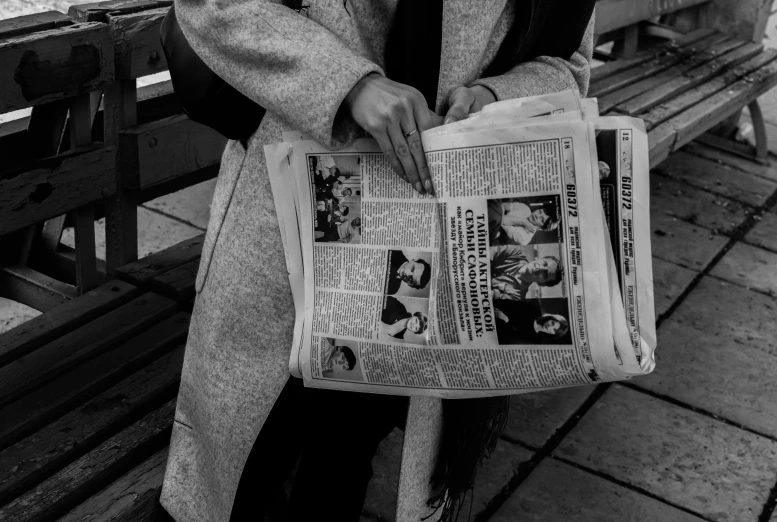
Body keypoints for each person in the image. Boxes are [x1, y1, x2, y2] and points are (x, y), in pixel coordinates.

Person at [160, 1, 596, 521]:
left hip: (442, 240)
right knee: (247, 456)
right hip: (288, 216)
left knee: (346, 455)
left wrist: (493, 96)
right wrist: (349, 84)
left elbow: (568, 63)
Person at [490, 245, 563, 300]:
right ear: (539, 258)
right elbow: (486, 255)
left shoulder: (517, 296)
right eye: (544, 263)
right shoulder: (515, 252)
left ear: (542, 283)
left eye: (545, 274)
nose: (540, 268)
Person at [489, 199, 560, 245]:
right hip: (493, 217)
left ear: (541, 227)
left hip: (491, 232)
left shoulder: (525, 238)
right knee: (496, 204)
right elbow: (503, 205)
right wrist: (524, 222)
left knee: (496, 215)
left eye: (542, 220)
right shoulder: (525, 208)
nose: (537, 216)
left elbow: (502, 220)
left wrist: (523, 222)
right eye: (540, 211)